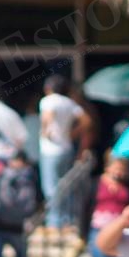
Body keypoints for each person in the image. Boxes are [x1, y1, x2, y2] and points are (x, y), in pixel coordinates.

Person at [37, 76, 87, 230]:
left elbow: (48, 116)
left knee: (51, 187)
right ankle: (67, 219)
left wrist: (47, 131)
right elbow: (86, 121)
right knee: (65, 185)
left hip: (50, 149)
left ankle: (54, 222)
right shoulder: (69, 102)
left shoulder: (48, 100)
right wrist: (72, 133)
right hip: (66, 148)